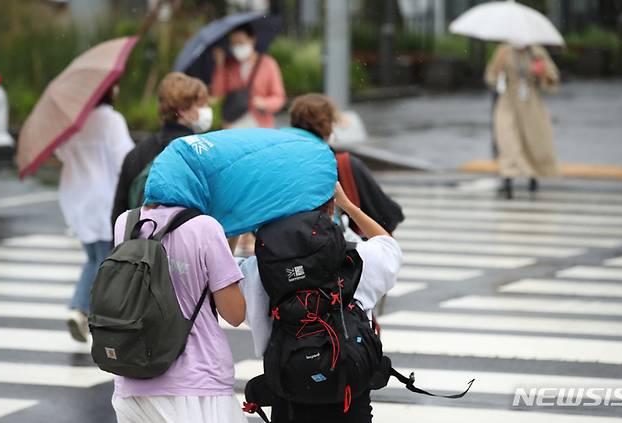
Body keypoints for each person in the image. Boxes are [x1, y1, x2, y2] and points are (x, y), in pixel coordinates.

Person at [239, 182, 402, 423]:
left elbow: (222, 274)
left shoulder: (259, 270)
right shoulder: (357, 257)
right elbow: (390, 247)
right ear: (330, 209)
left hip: (289, 395)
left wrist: (234, 221)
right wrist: (349, 206)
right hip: (349, 395)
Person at [111, 205, 247, 423]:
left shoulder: (126, 222)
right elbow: (234, 314)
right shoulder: (205, 227)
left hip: (132, 380)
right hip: (198, 382)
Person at [56, 84, 134, 342]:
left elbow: (60, 151)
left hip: (77, 198)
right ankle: (87, 312)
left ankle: (82, 310)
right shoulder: (112, 120)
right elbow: (125, 158)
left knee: (94, 257)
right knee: (105, 261)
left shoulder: (74, 122)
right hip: (105, 198)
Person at [286, 93, 404, 235]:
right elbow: (388, 213)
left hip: (280, 243)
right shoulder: (339, 163)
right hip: (327, 244)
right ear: (328, 125)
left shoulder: (277, 156)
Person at [112, 72, 212, 225]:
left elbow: (118, 214)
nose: (207, 110)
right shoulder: (201, 152)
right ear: (184, 110)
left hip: (142, 241)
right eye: (201, 105)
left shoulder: (136, 153)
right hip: (186, 241)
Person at [485, 43, 561, 199]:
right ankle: (508, 179)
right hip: (508, 100)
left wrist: (542, 73)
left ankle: (533, 177)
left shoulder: (537, 52)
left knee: (532, 140)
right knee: (507, 139)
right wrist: (497, 74)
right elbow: (490, 76)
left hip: (530, 101)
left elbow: (552, 79)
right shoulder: (503, 51)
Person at [211, 23, 285, 128]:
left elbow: (279, 97)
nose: (237, 46)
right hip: (233, 124)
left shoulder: (268, 64)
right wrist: (219, 65)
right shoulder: (229, 65)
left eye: (241, 42)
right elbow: (217, 93)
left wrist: (264, 103)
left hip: (260, 125)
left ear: (252, 40)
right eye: (234, 43)